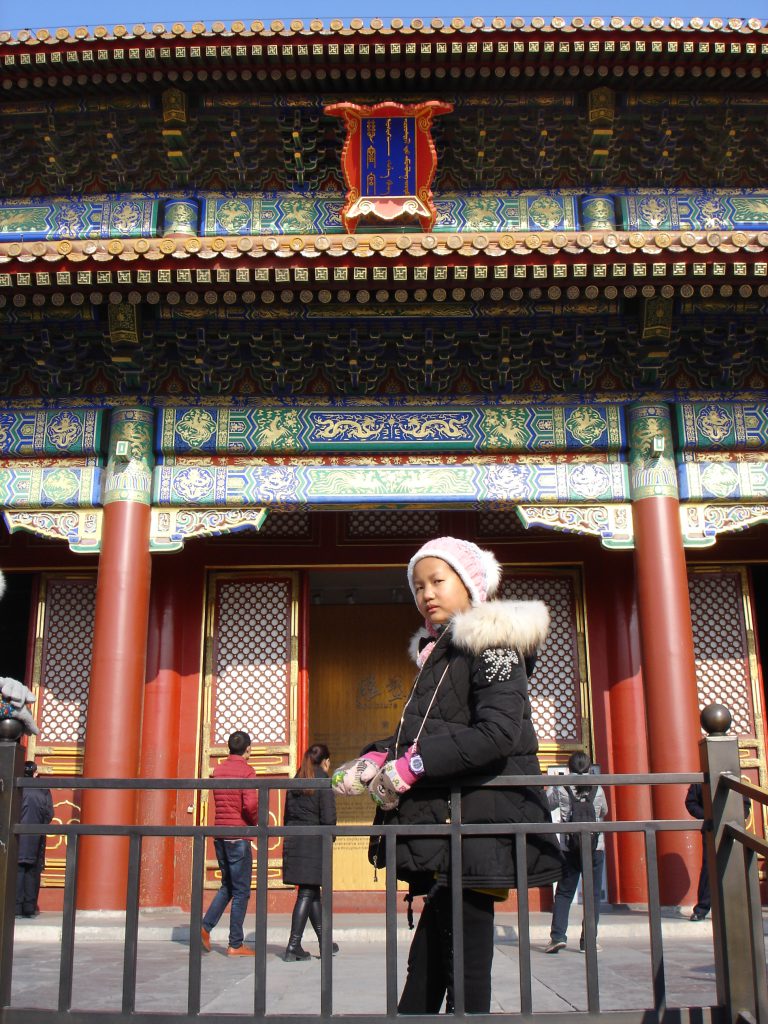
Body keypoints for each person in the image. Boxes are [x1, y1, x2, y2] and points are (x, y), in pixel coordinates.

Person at [331, 536, 562, 1014]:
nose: (427, 594)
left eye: (438, 581)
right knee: (431, 960)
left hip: (477, 826)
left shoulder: (494, 643)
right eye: (418, 586)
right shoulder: (442, 654)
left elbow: (497, 733)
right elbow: (432, 730)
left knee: (464, 963)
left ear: (470, 584)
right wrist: (376, 756)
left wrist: (413, 766)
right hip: (451, 828)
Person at [201, 730, 259, 956]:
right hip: (238, 835)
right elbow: (250, 805)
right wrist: (255, 822)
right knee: (241, 891)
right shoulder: (247, 771)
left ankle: (205, 928)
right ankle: (235, 943)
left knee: (227, 885)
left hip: (221, 834)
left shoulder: (219, 770)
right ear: (248, 749)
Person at [544, 751, 608, 954]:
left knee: (564, 892)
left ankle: (557, 936)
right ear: (588, 767)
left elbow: (547, 804)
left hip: (569, 846)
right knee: (592, 894)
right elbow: (603, 811)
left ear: (569, 767)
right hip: (594, 846)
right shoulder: (597, 786)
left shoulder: (561, 786)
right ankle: (588, 940)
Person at [282, 743, 338, 961]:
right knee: (306, 892)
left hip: (295, 838)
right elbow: (328, 817)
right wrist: (331, 838)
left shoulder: (297, 778)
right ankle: (293, 945)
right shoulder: (323, 780)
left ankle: (325, 943)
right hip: (313, 841)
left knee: (312, 891)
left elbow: (287, 814)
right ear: (325, 761)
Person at [685, 781, 750, 921]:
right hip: (711, 830)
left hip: (732, 828)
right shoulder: (700, 781)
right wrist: (708, 816)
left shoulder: (733, 779)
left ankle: (738, 909)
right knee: (709, 869)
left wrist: (737, 817)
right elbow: (691, 803)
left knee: (735, 868)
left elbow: (745, 804)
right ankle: (702, 908)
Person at [16, 760, 53, 918]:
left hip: (17, 836)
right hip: (36, 837)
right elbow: (49, 814)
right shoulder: (43, 790)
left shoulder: (17, 788)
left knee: (17, 871)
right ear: (35, 773)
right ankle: (29, 908)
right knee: (32, 871)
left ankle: (16, 908)